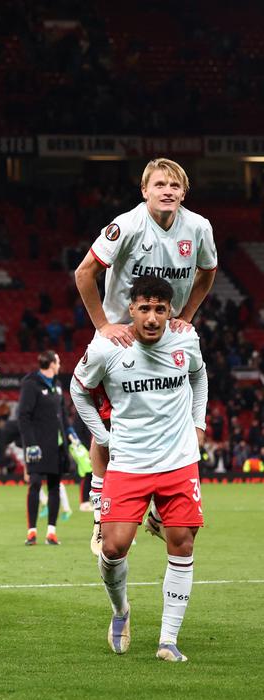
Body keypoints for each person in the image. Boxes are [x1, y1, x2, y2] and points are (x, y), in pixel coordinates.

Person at [73, 158, 216, 554]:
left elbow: (209, 271)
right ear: (145, 190)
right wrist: (103, 325)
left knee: (171, 428)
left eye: (174, 184)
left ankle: (158, 516)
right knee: (108, 428)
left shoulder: (199, 228)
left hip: (166, 334)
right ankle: (102, 517)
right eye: (159, 184)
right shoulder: (128, 225)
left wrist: (186, 316)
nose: (167, 190)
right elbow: (84, 272)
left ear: (183, 192)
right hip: (121, 340)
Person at [71, 276, 206, 662]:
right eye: (144, 308)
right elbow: (79, 389)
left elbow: (199, 374)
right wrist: (104, 436)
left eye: (160, 309)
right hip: (129, 464)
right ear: (131, 309)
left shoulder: (185, 340)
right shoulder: (107, 347)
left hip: (179, 462)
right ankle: (120, 611)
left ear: (170, 311)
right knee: (113, 547)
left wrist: (199, 423)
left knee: (182, 543)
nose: (151, 318)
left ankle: (168, 640)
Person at [16, 350, 70, 545]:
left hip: (56, 446)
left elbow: (62, 415)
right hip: (37, 446)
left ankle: (51, 532)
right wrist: (30, 444)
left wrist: (69, 434)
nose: (60, 364)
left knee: (55, 486)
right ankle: (32, 532)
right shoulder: (31, 384)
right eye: (58, 361)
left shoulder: (56, 384)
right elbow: (23, 416)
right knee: (35, 484)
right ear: (52, 363)